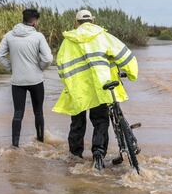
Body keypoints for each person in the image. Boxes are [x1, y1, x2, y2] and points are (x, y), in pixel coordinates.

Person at [53, 9, 138, 169]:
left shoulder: (67, 41)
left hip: (77, 90)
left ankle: (75, 156)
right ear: (92, 20)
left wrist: (68, 84)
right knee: (100, 121)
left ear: (76, 22)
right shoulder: (103, 36)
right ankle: (98, 154)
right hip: (101, 87)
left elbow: (61, 67)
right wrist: (132, 74)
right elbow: (126, 56)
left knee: (77, 123)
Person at [0, 8, 53, 147]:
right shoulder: (38, 36)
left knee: (18, 113)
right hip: (36, 80)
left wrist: (11, 68)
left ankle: (15, 146)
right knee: (38, 112)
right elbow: (48, 58)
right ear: (34, 22)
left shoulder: (9, 35)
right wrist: (40, 68)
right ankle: (40, 143)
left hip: (17, 81)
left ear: (24, 19)